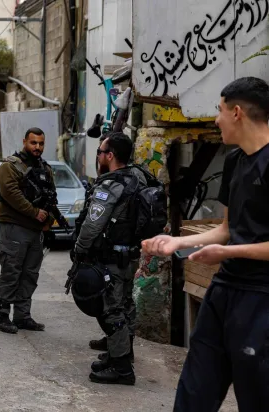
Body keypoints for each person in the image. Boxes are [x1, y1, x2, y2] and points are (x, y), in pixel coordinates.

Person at [143, 77, 269, 410]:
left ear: (237, 112)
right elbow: (227, 229)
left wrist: (228, 252)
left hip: (261, 297)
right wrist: (175, 242)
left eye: (220, 110)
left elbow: (233, 244)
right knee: (195, 391)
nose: (216, 118)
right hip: (225, 288)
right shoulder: (234, 160)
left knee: (257, 396)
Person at [71, 132, 145, 386]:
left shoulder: (110, 185)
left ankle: (122, 370)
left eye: (101, 152)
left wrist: (79, 250)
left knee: (112, 310)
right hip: (130, 255)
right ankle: (119, 354)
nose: (98, 156)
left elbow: (93, 225)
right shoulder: (138, 178)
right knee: (125, 305)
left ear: (110, 156)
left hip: (112, 258)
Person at [0, 127, 56, 334]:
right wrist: (34, 212)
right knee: (11, 271)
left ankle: (22, 315)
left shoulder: (45, 168)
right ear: (24, 141)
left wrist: (49, 220)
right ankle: (1, 316)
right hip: (15, 226)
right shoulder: (10, 166)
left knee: (30, 274)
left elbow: (51, 195)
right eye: (33, 143)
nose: (37, 147)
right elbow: (11, 193)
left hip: (36, 230)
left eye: (41, 144)